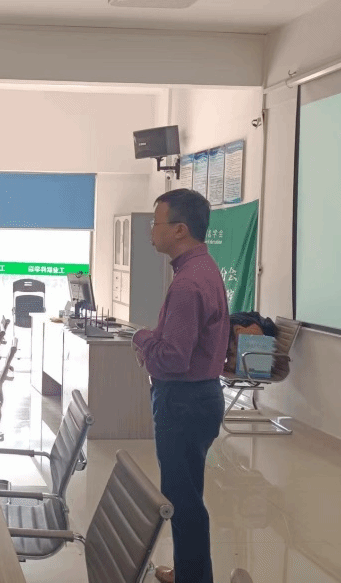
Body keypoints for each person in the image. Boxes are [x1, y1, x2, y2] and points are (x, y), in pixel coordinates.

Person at [131, 189, 229, 583]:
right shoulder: (202, 268)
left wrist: (141, 339)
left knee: (183, 501)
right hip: (199, 397)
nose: (151, 231)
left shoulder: (188, 283)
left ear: (180, 230)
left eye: (157, 223)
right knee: (187, 494)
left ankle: (193, 579)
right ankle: (190, 572)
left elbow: (173, 358)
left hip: (184, 401)